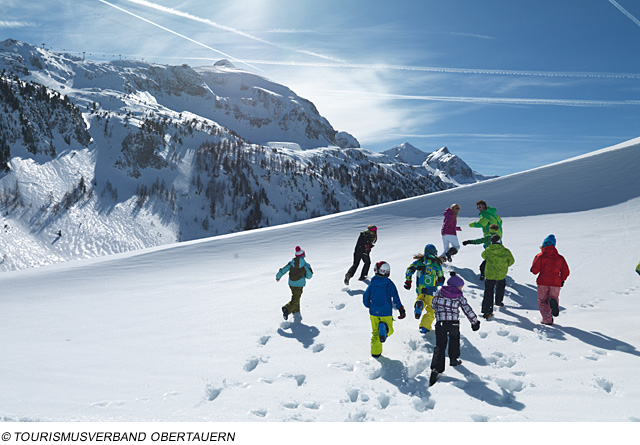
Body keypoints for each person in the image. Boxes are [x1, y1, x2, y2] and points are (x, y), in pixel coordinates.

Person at [429, 272, 480, 386]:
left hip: (441, 323)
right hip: (453, 324)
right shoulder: (459, 296)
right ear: (456, 286)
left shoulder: (439, 292)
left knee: (440, 345)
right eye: (461, 286)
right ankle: (453, 359)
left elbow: (433, 304)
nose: (461, 289)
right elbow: (467, 309)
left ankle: (436, 369)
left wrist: (439, 309)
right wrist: (474, 322)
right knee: (454, 339)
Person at [363, 261, 406, 358]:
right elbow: (395, 297)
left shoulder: (372, 283)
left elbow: (365, 297)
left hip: (373, 312)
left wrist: (369, 306)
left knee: (375, 333)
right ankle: (385, 329)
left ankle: (375, 353)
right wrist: (400, 309)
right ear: (385, 271)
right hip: (385, 312)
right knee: (390, 330)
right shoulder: (389, 283)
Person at [404, 244, 445, 333]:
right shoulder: (436, 264)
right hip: (431, 290)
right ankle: (424, 327)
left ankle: (420, 304)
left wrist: (408, 281)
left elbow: (409, 271)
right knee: (431, 309)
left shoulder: (419, 262)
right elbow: (441, 279)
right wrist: (439, 283)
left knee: (420, 299)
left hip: (420, 288)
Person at [530, 235, 570, 325]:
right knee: (554, 297)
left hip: (543, 282)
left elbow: (535, 270)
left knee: (543, 300)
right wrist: (562, 279)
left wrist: (532, 269)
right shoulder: (560, 258)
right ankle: (553, 302)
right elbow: (566, 271)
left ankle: (547, 319)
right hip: (556, 282)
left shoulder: (540, 256)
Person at [480, 234, 515, 319]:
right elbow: (512, 261)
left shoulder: (488, 250)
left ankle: (487, 310)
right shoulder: (506, 251)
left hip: (490, 274)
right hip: (501, 273)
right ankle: (498, 301)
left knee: (488, 291)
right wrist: (504, 265)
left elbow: (483, 255)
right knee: (500, 286)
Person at [276, 246, 313, 321]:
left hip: (291, 283)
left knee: (296, 297)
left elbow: (284, 269)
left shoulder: (291, 263)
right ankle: (287, 309)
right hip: (299, 285)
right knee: (296, 298)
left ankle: (296, 311)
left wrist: (278, 276)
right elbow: (309, 276)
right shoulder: (305, 265)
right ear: (303, 255)